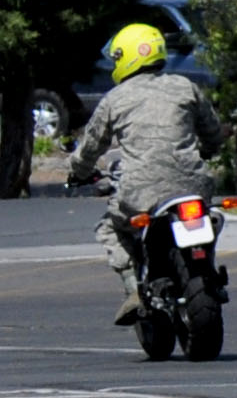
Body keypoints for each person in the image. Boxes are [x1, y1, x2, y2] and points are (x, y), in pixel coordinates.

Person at [68, 22, 225, 327]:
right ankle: (206, 268)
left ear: (126, 56)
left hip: (142, 194)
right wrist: (207, 150)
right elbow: (213, 132)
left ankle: (132, 291)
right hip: (194, 185)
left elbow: (89, 148)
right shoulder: (185, 86)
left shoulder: (115, 99)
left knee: (109, 228)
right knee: (212, 216)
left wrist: (77, 172)